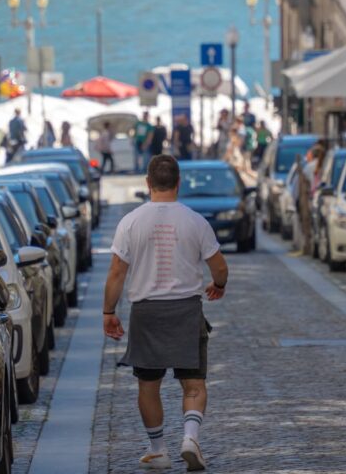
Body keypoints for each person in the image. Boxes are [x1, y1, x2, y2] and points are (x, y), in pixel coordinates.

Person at [103, 154, 228, 472]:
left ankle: (158, 449)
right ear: (178, 183)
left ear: (147, 184)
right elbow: (219, 266)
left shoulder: (130, 222)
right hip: (186, 311)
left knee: (148, 386)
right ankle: (190, 438)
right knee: (194, 384)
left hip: (146, 313)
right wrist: (219, 284)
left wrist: (109, 312)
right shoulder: (195, 221)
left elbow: (117, 272)